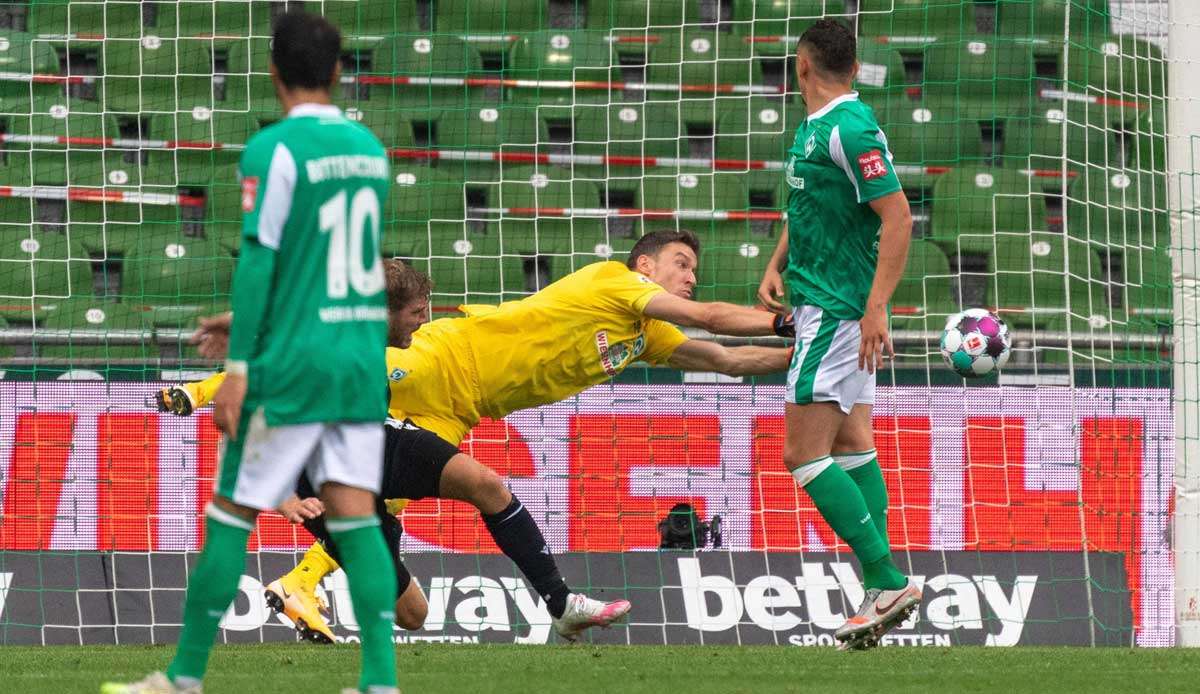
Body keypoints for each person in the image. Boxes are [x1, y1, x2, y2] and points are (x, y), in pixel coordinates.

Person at [160, 229, 796, 643]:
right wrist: (785, 320)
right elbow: (711, 318)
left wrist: (806, 357)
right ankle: (206, 386)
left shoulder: (645, 338)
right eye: (680, 264)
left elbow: (728, 358)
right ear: (644, 264)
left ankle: (302, 581)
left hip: (459, 409)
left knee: (384, 500)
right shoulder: (615, 282)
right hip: (449, 358)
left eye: (694, 269)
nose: (690, 276)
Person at [104, 12, 400, 694]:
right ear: (336, 71)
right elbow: (334, 264)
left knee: (230, 514)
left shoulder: (275, 150)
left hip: (294, 363)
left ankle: (181, 678)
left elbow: (265, 258)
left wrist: (237, 363)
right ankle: (380, 683)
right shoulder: (369, 151)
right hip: (357, 361)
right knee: (357, 519)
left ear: (272, 72)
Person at [757, 19, 920, 650]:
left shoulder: (850, 128)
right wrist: (778, 259)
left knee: (802, 454)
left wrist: (878, 306)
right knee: (854, 442)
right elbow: (815, 205)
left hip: (835, 311)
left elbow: (898, 215)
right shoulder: (815, 127)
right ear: (851, 67)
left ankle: (885, 578)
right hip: (830, 300)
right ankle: (876, 595)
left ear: (801, 67)